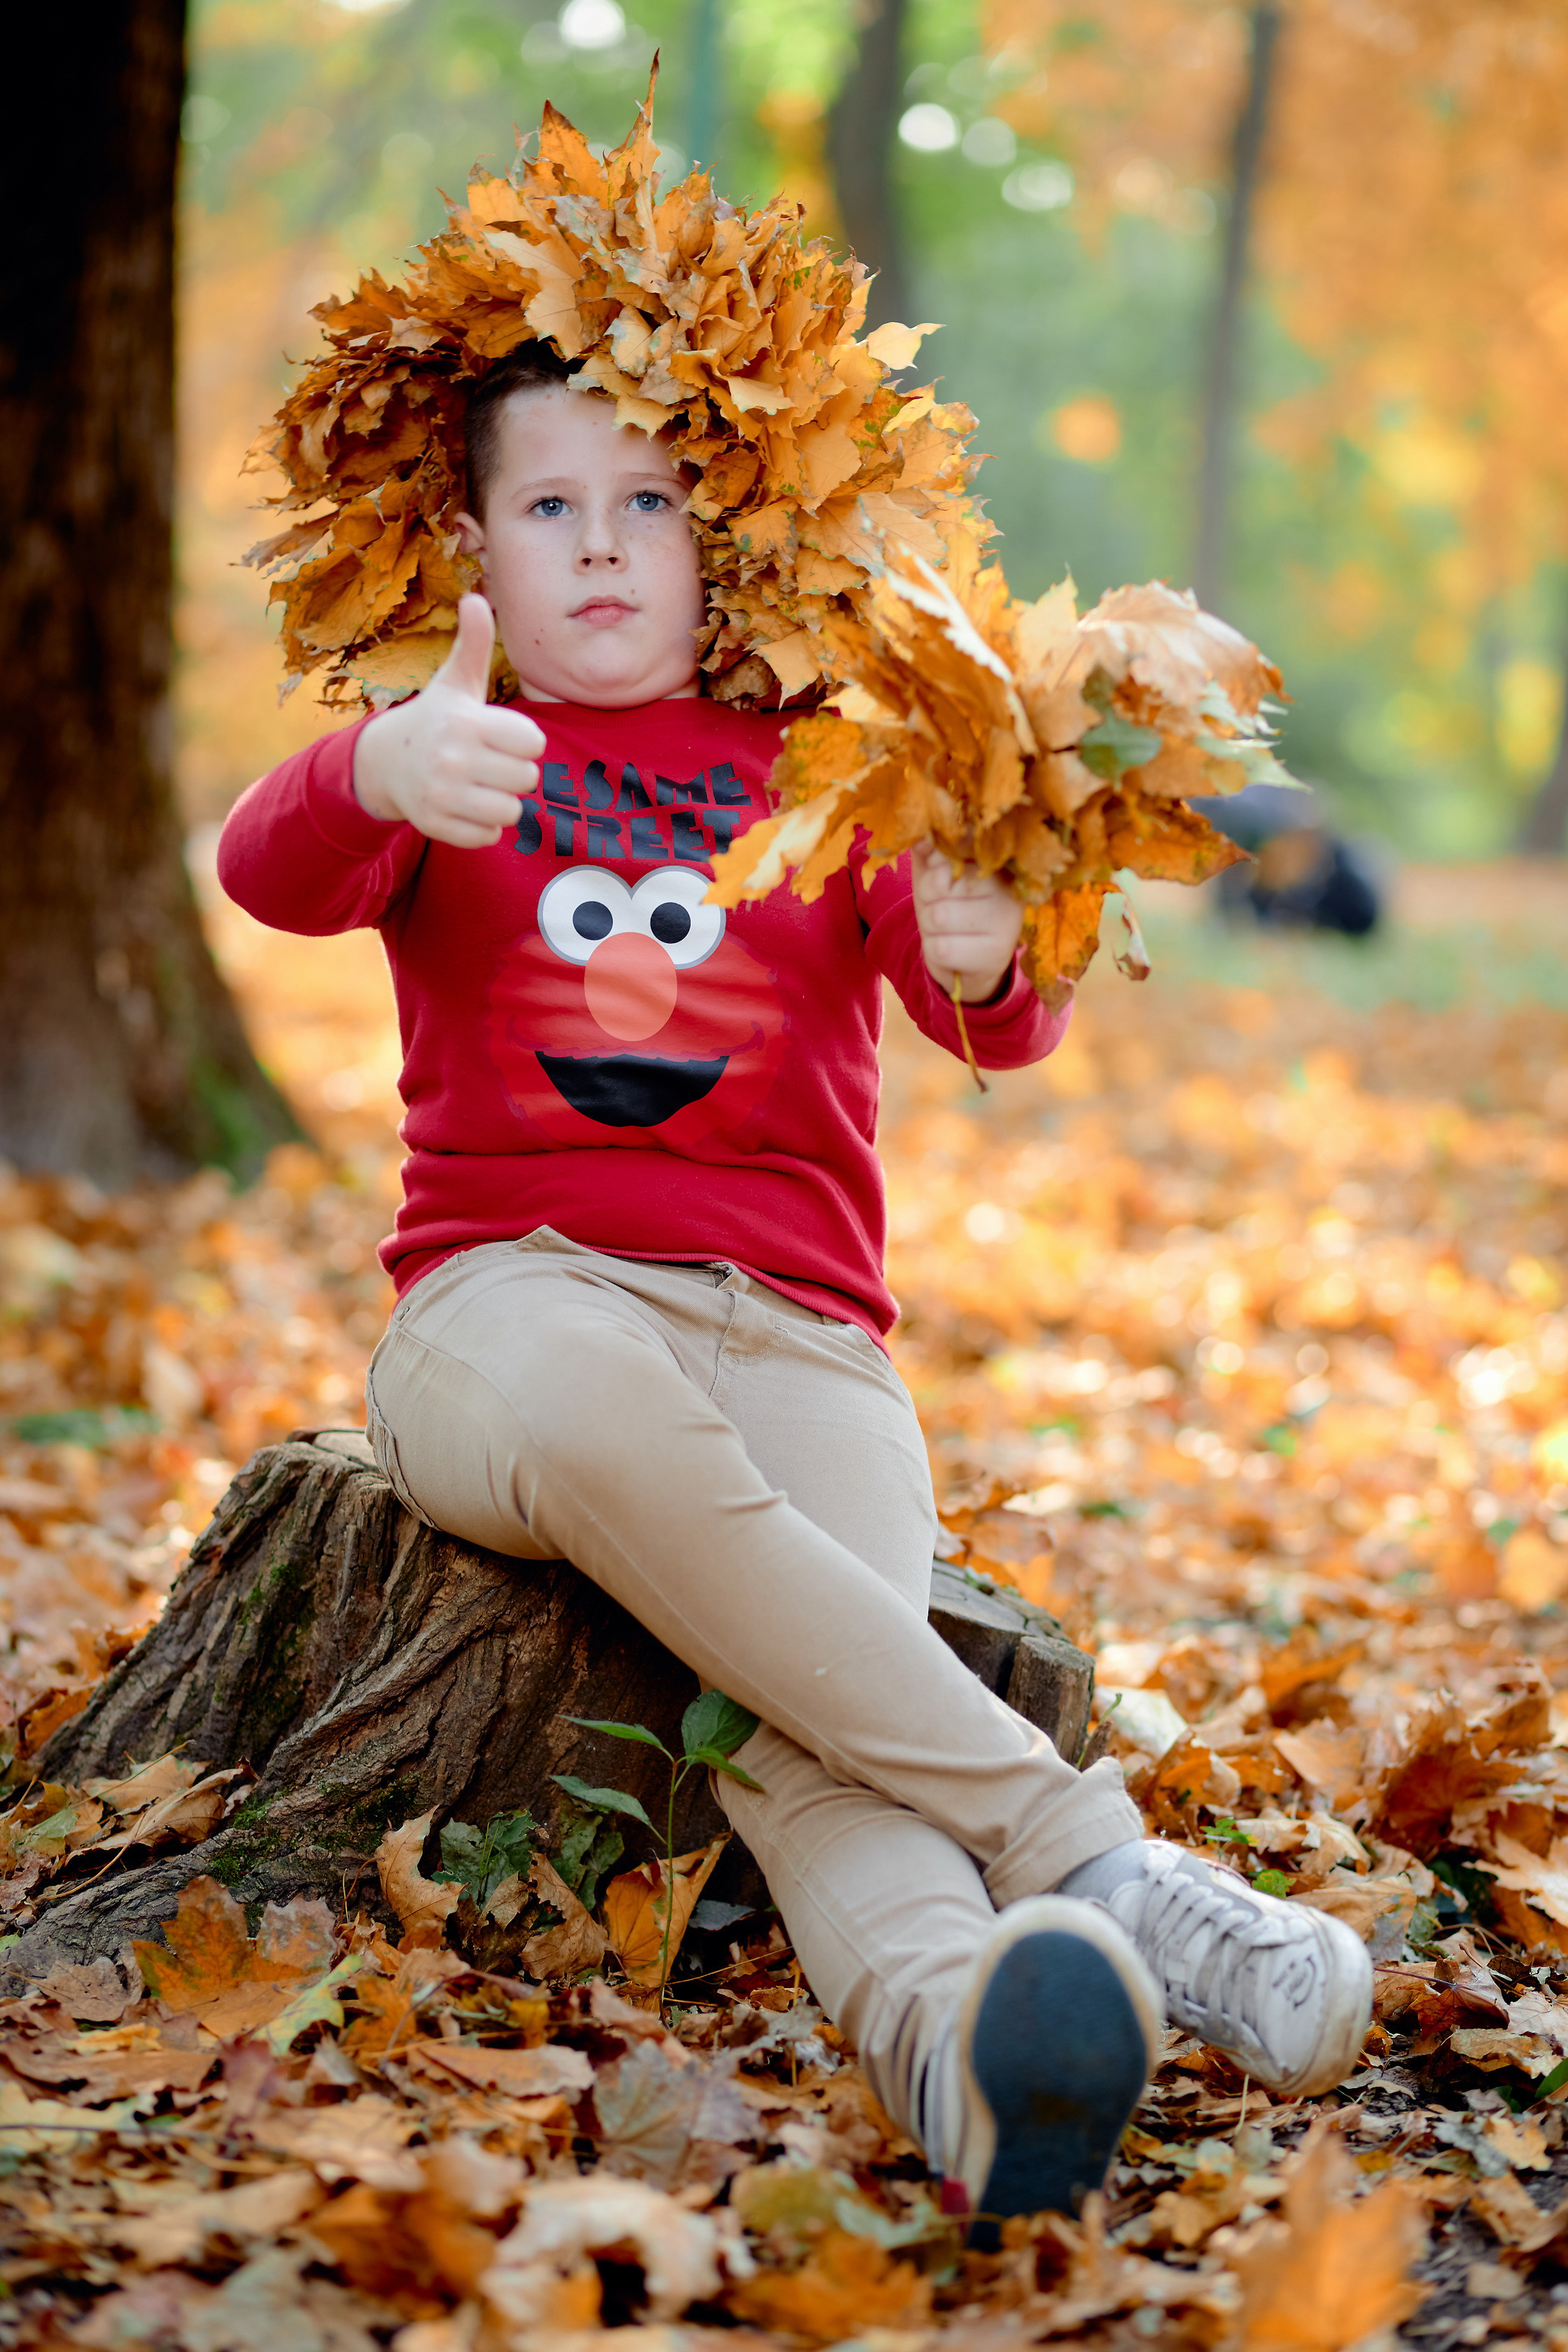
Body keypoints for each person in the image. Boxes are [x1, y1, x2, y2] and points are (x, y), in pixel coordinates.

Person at [219, 352, 1373, 2227]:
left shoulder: (832, 762)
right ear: (476, 554)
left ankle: (972, 2064)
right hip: (510, 1316)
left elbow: (992, 1013)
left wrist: (999, 943)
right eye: (549, 508)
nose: (602, 548)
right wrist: (374, 766)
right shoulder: (459, 741)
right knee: (626, 1424)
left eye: (649, 503)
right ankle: (1096, 1858)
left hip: (806, 1345)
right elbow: (274, 873)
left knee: (821, 1714)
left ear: (723, 536)